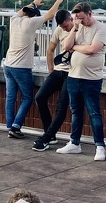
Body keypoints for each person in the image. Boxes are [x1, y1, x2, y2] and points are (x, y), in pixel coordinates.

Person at [4, 0, 66, 139]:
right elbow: (50, 15)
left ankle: (9, 125)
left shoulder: (14, 20)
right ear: (34, 16)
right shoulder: (31, 23)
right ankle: (15, 127)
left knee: (10, 97)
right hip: (21, 67)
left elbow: (21, 11)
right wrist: (59, 0)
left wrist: (33, 3)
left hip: (8, 64)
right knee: (27, 97)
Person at [56, 2, 106, 161]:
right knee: (75, 111)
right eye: (76, 18)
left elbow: (92, 49)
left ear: (90, 14)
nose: (79, 21)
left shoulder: (101, 29)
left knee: (94, 112)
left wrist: (75, 47)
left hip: (91, 78)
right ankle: (74, 142)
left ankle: (99, 146)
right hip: (74, 76)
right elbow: (66, 46)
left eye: (81, 18)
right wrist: (75, 28)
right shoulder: (77, 28)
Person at [32, 10, 75, 151]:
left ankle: (46, 138)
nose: (64, 28)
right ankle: (50, 134)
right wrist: (51, 69)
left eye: (65, 26)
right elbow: (50, 49)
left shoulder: (79, 29)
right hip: (59, 70)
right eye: (61, 26)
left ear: (71, 19)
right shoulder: (59, 30)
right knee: (40, 97)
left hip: (73, 73)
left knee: (61, 107)